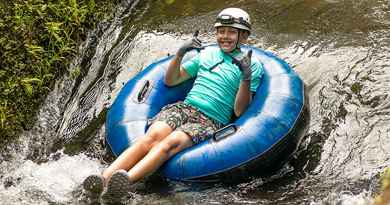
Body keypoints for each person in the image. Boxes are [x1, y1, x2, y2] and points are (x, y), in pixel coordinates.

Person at [83, 7, 264, 203]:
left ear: (244, 37)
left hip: (210, 120)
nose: (224, 36)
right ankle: (104, 179)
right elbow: (172, 80)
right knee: (152, 137)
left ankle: (124, 184)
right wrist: (179, 54)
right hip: (184, 108)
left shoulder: (252, 65)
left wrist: (245, 77)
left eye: (231, 32)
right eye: (221, 31)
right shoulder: (207, 55)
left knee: (169, 144)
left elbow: (239, 111)